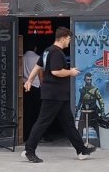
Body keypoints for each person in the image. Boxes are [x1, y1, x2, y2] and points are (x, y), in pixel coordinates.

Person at [23, 27, 93, 163]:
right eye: (69, 39)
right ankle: (29, 150)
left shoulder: (47, 51)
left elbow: (38, 66)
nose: (69, 41)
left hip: (59, 95)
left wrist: (29, 80)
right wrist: (71, 72)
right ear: (63, 38)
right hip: (54, 94)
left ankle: (81, 150)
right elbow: (55, 71)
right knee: (42, 122)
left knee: (68, 123)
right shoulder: (56, 52)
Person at [21, 44, 43, 144]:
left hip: (24, 86)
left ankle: (25, 135)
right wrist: (43, 86)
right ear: (35, 48)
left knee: (27, 112)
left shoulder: (22, 57)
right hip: (35, 86)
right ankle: (36, 136)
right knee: (37, 113)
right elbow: (40, 75)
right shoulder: (37, 57)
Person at [77, 71, 105, 143]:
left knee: (98, 128)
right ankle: (79, 143)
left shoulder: (95, 90)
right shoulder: (82, 89)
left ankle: (102, 142)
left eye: (90, 80)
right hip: (84, 111)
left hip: (93, 112)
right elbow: (80, 100)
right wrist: (77, 110)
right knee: (80, 127)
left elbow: (100, 100)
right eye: (87, 79)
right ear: (85, 80)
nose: (89, 81)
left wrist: (102, 111)